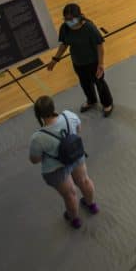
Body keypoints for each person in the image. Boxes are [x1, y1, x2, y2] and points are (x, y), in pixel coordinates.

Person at [29, 95, 98, 230]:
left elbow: (34, 160)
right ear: (53, 107)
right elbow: (78, 129)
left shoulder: (38, 138)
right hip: (75, 156)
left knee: (70, 194)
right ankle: (91, 205)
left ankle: (75, 220)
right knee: (84, 181)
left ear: (39, 115)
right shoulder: (68, 115)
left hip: (56, 169)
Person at [47, 3, 114, 117]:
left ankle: (107, 104)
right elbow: (64, 44)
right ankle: (91, 100)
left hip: (93, 63)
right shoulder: (65, 28)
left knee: (99, 83)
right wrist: (55, 59)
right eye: (66, 19)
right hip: (78, 63)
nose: (69, 21)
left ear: (78, 17)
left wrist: (101, 64)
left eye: (71, 19)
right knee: (85, 83)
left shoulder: (89, 28)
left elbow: (99, 45)